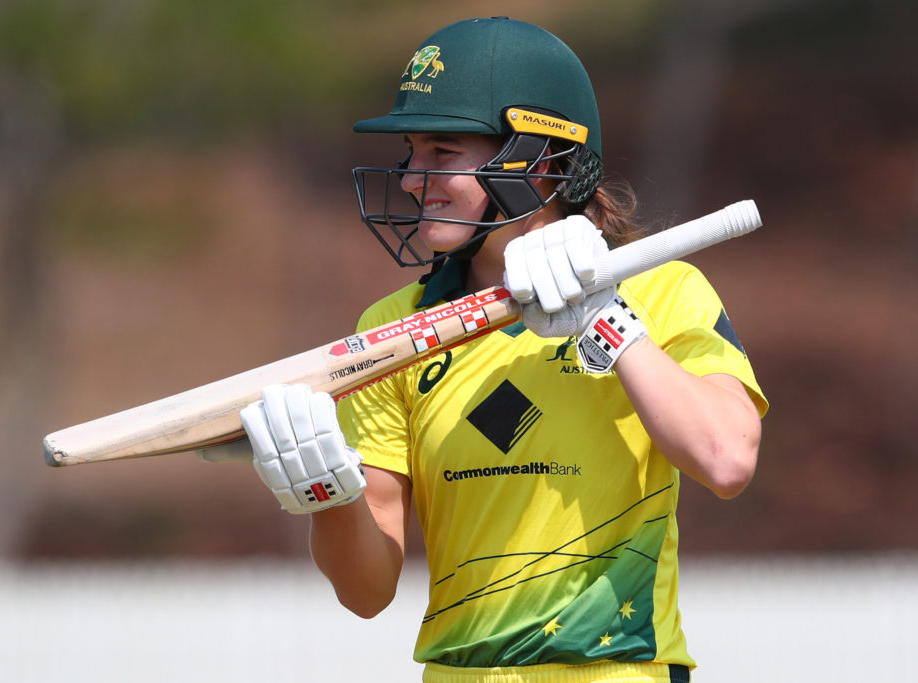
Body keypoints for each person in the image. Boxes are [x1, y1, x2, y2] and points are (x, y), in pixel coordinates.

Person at [232, 17, 767, 683]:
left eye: (441, 152)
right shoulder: (391, 330)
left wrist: (605, 318)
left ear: (538, 160)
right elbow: (366, 591)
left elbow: (726, 457)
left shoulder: (659, 290)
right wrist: (327, 492)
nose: (410, 178)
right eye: (412, 152)